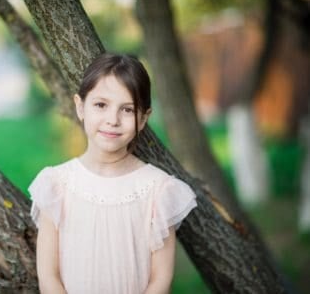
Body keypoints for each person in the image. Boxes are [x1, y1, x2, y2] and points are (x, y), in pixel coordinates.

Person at [29, 53, 197, 294]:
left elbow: (160, 280)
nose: (113, 120)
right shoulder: (56, 185)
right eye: (100, 105)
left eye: (127, 110)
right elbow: (48, 277)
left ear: (143, 119)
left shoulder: (159, 190)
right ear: (80, 107)